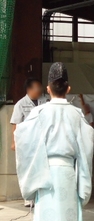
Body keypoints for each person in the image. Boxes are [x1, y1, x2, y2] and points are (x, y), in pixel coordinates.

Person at [14, 62, 94, 221]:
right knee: (69, 214)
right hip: (67, 170)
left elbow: (21, 136)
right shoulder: (76, 114)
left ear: (48, 89)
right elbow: (86, 143)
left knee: (46, 215)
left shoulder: (39, 113)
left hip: (46, 170)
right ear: (68, 89)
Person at [10, 77, 47, 207]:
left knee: (41, 169)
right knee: (28, 170)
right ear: (29, 89)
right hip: (27, 142)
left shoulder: (45, 101)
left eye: (41, 88)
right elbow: (16, 124)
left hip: (41, 141)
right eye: (37, 88)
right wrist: (14, 142)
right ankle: (28, 197)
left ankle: (39, 196)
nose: (40, 90)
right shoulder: (20, 104)